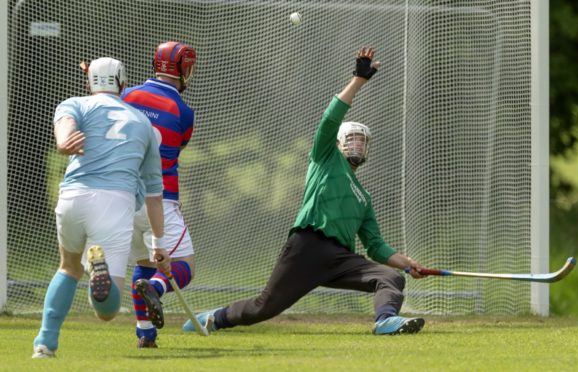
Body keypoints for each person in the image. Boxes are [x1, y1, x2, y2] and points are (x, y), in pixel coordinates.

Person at [182, 47, 427, 336]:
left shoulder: (364, 197)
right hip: (307, 247)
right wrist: (358, 81)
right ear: (337, 143)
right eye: (352, 139)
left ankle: (385, 321)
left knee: (390, 277)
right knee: (263, 308)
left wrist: (407, 263)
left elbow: (375, 246)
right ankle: (214, 318)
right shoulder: (325, 158)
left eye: (362, 142)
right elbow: (329, 119)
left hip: (340, 259)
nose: (357, 146)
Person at [32, 57, 170, 359]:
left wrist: (64, 142)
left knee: (68, 267)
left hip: (73, 197)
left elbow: (64, 133)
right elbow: (154, 195)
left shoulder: (73, 104)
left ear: (88, 83)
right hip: (115, 204)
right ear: (122, 84)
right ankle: (99, 271)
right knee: (106, 312)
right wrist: (158, 244)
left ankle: (45, 344)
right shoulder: (143, 123)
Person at [121, 41, 198, 348]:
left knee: (143, 260)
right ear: (183, 69)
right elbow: (176, 146)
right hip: (160, 199)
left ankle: (145, 335)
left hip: (123, 198)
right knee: (186, 265)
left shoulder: (126, 96)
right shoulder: (184, 112)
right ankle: (157, 287)